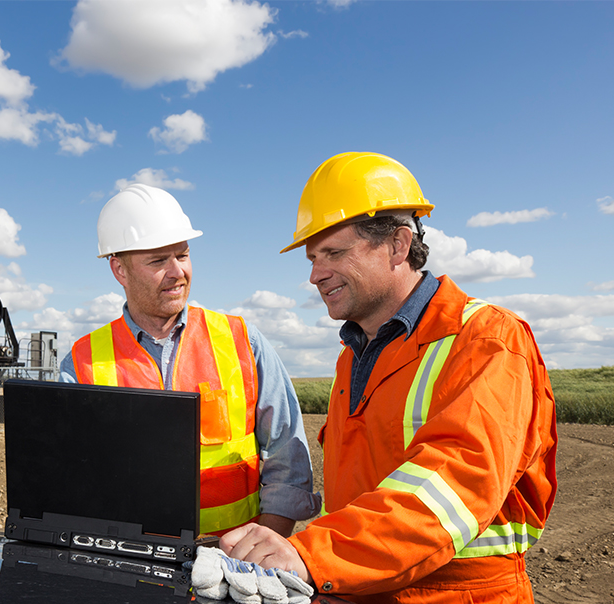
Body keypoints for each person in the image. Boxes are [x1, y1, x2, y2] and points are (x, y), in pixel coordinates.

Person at [220, 152, 558, 603]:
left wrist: (313, 556)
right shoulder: (354, 354)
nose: (316, 274)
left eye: (334, 253)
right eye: (313, 258)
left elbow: (453, 485)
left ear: (399, 245)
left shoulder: (485, 338)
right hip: (357, 589)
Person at [60, 183, 321, 537]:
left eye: (182, 256)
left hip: (233, 564)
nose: (177, 272)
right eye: (157, 260)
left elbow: (286, 456)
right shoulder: (81, 363)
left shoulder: (243, 340)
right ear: (119, 270)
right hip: (128, 568)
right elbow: (68, 477)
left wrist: (265, 547)